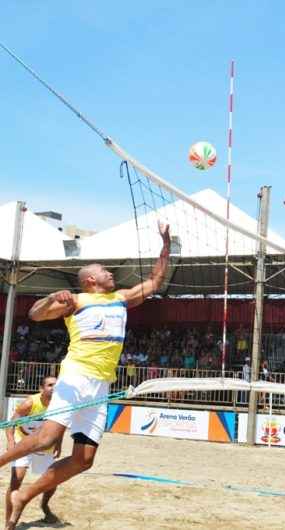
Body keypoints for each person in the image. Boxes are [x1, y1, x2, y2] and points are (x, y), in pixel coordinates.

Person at [0, 222, 170, 529]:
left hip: (101, 385)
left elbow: (155, 282)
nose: (111, 273)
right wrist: (52, 298)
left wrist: (166, 245)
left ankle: (23, 496)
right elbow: (35, 314)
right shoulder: (76, 300)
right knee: (47, 438)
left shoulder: (120, 297)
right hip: (77, 375)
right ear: (91, 280)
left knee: (84, 460)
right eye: (105, 271)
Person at [5, 376, 62, 526]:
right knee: (16, 480)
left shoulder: (60, 405)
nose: (53, 388)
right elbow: (11, 423)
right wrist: (11, 443)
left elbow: (60, 428)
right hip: (23, 441)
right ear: (41, 389)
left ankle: (44, 505)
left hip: (43, 443)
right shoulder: (29, 403)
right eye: (50, 385)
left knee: (52, 480)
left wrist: (58, 444)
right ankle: (8, 523)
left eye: (56, 385)